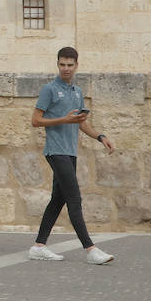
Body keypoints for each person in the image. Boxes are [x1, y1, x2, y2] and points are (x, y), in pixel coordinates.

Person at [28, 47, 117, 264]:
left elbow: (81, 122)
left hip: (70, 152)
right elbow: (35, 120)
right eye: (62, 64)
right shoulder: (49, 90)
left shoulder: (77, 92)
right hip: (55, 150)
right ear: (57, 64)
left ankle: (39, 246)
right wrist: (62, 120)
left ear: (76, 65)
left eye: (70, 65)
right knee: (74, 198)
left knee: (57, 200)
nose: (66, 69)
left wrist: (100, 136)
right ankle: (91, 250)